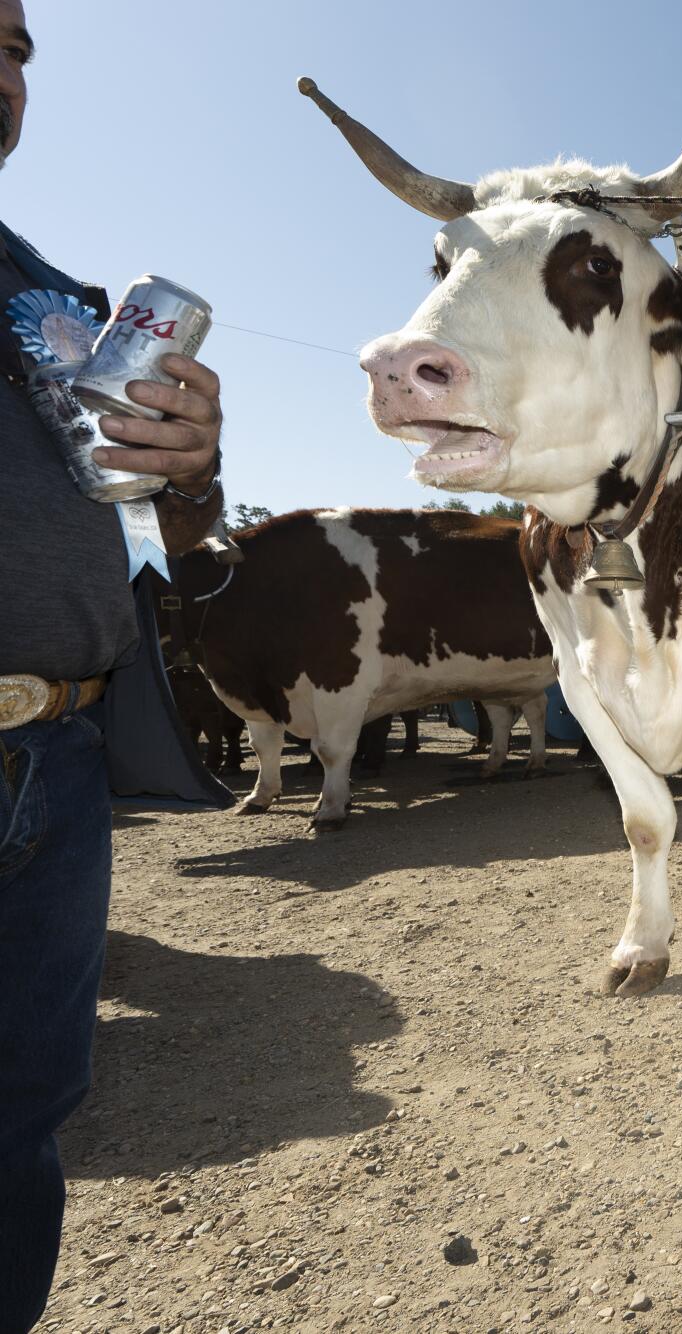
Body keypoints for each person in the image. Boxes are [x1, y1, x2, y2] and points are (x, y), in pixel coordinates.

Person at [0, 4, 230, 1324]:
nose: (6, 71)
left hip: (59, 763)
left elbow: (161, 534)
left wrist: (191, 468)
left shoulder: (45, 292)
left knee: (26, 1121)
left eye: (20, 47)